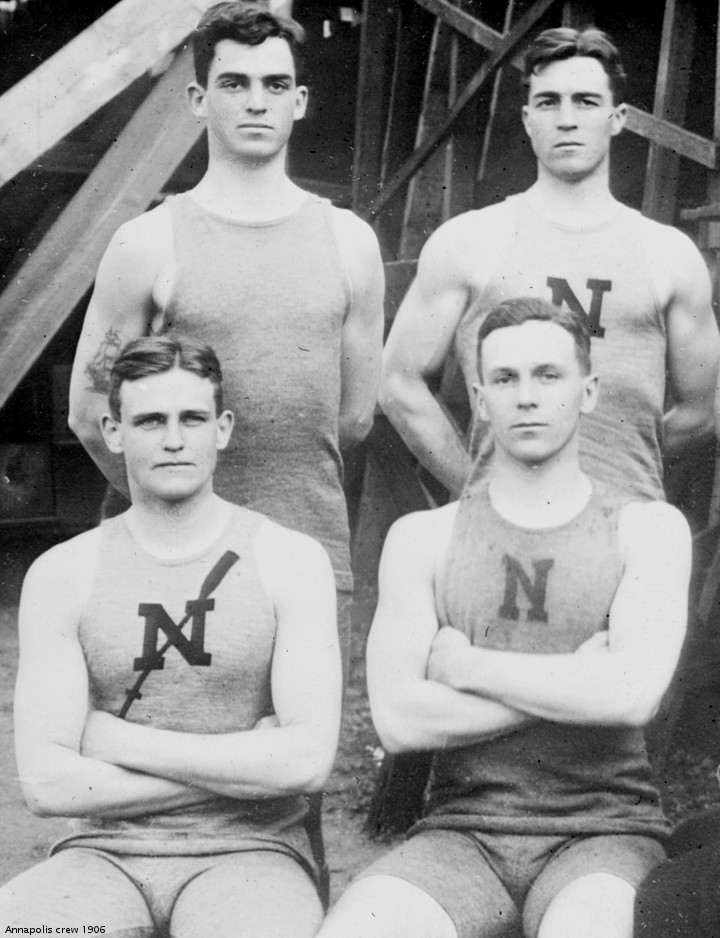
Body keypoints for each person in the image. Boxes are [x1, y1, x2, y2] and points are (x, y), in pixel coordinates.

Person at [318, 297, 691, 938]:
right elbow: (401, 720)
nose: (527, 397)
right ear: (480, 399)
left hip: (602, 833)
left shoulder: (646, 528)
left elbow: (632, 696)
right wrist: (580, 681)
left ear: (589, 392)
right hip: (462, 835)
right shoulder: (425, 537)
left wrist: (469, 668)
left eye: (548, 375)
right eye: (505, 378)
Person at [68, 1, 384, 676]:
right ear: (198, 99)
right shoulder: (147, 241)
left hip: (306, 550)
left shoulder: (350, 243)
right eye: (234, 83)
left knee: (297, 738)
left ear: (300, 102)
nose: (256, 102)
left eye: (275, 85)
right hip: (168, 561)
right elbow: (91, 415)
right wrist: (170, 505)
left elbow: (354, 417)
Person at [1, 335, 341, 937]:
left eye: (193, 419)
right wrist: (244, 767)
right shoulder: (63, 572)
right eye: (151, 420)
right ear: (113, 432)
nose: (175, 439)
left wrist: (113, 740)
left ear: (223, 429)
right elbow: (48, 784)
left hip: (250, 854)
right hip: (100, 854)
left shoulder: (289, 559)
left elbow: (306, 761)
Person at [380, 26, 719, 503]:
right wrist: (479, 488)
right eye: (548, 102)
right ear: (527, 119)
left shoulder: (668, 254)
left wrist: (623, 469)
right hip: (502, 523)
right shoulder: (470, 241)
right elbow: (398, 381)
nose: (566, 120)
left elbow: (702, 410)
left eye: (586, 101)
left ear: (618, 118)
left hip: (623, 521)